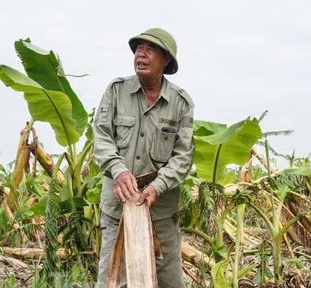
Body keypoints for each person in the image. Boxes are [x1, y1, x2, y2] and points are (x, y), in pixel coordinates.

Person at [93, 28, 195, 287]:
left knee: (168, 280)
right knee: (112, 279)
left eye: (150, 49)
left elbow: (183, 157)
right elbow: (102, 138)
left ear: (166, 60)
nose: (141, 53)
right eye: (138, 48)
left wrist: (157, 187)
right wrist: (119, 171)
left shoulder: (180, 103)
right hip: (118, 205)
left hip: (159, 209)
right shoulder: (116, 91)